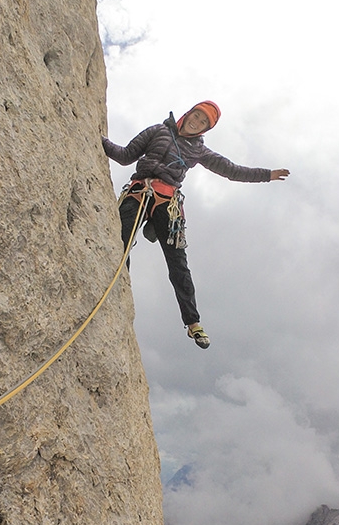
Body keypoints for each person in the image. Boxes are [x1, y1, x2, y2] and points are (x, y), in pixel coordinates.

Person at [102, 101, 289, 349]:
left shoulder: (199, 151)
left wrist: (267, 175)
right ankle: (117, 290)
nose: (197, 122)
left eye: (203, 123)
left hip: (166, 202)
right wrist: (97, 137)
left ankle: (193, 323)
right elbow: (125, 156)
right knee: (119, 241)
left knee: (178, 263)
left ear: (205, 129)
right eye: (197, 116)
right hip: (139, 191)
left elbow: (231, 170)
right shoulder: (157, 131)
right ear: (188, 113)